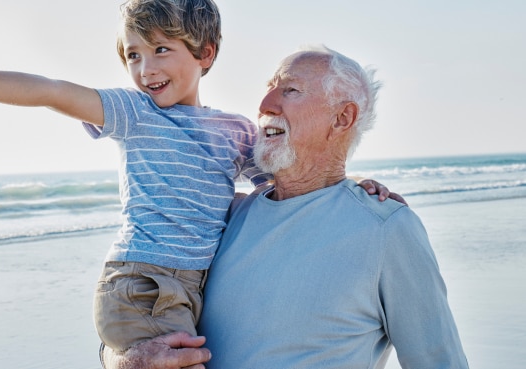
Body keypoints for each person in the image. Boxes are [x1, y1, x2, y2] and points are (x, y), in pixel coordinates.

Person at [0, 0, 395, 356]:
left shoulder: (233, 131)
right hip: (143, 284)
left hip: (194, 290)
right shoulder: (134, 113)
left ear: (205, 54)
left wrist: (354, 189)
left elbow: (290, 182)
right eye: (133, 55)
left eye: (161, 49)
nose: (145, 68)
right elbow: (51, 90)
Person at [102, 45, 469, 368]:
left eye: (290, 91)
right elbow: (133, 315)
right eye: (268, 89)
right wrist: (123, 361)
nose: (264, 106)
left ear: (342, 118)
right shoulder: (224, 218)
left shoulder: (386, 227)